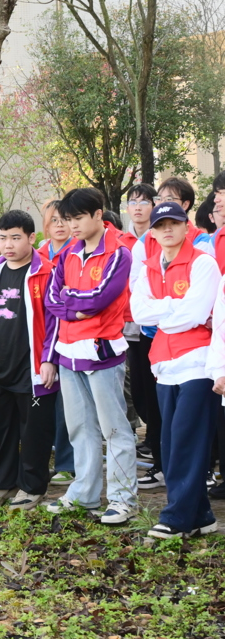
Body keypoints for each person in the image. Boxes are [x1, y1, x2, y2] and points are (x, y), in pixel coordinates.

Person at [44, 187, 138, 524]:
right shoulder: (67, 253)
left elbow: (100, 298)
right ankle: (84, 493)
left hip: (102, 352)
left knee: (114, 429)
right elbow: (52, 299)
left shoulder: (119, 253)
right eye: (68, 220)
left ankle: (122, 498)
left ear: (99, 214)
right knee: (80, 428)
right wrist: (74, 308)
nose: (72, 226)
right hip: (68, 353)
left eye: (78, 218)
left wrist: (74, 303)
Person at [132, 201, 219, 538]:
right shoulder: (150, 266)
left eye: (174, 223)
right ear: (152, 232)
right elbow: (139, 312)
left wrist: (162, 310)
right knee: (169, 445)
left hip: (197, 364)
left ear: (186, 226)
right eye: (160, 225)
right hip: (164, 366)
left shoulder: (203, 264)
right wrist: (173, 309)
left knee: (186, 442)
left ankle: (175, 517)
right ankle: (201, 516)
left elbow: (196, 313)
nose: (167, 229)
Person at [0, 210, 58, 510]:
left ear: (32, 238)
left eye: (15, 238)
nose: (7, 244)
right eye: (3, 238)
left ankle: (32, 487)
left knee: (33, 430)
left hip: (31, 366)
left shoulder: (45, 271)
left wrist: (49, 359)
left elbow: (55, 319)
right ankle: (0, 484)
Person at [119, 183, 164, 488]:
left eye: (144, 202)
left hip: (158, 328)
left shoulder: (162, 236)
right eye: (132, 202)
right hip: (129, 327)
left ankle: (161, 451)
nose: (137, 207)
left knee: (158, 394)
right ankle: (155, 442)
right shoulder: (122, 240)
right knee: (140, 393)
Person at [38, 198, 76, 486]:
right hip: (38, 337)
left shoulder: (77, 253)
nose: (59, 225)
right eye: (54, 220)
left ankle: (66, 463)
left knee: (67, 406)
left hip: (68, 337)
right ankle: (40, 459)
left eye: (64, 219)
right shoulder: (37, 255)